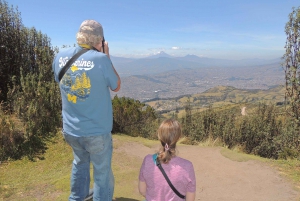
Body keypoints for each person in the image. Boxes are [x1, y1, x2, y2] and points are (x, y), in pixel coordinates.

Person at [52, 19, 121, 201]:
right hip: (96, 131)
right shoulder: (100, 59)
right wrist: (107, 56)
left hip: (71, 129)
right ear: (100, 40)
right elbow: (116, 85)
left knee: (80, 163)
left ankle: (76, 198)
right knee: (102, 174)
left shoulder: (60, 56)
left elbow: (62, 83)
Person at [138, 119, 196, 201]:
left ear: (159, 136)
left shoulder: (148, 160)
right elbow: (190, 199)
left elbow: (142, 190)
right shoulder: (187, 166)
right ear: (178, 138)